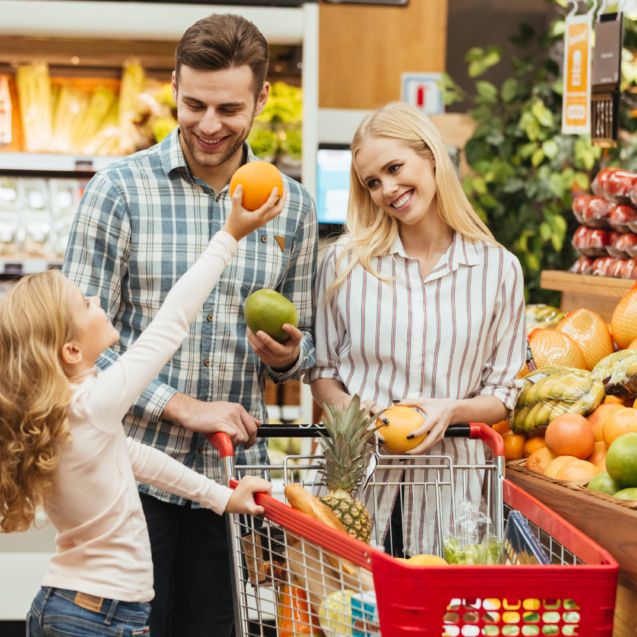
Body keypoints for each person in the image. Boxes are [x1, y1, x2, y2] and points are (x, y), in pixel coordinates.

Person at [62, 13, 317, 637]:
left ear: (260, 98)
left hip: (223, 485)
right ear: (174, 86)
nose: (208, 125)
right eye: (194, 103)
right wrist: (179, 404)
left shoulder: (295, 205)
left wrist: (286, 356)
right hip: (121, 477)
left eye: (229, 108)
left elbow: (305, 345)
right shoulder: (117, 191)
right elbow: (68, 351)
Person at [0, 186, 284, 636]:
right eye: (85, 304)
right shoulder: (93, 405)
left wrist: (222, 498)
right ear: (71, 349)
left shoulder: (70, 412)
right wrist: (229, 235)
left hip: (69, 605)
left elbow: (139, 460)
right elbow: (172, 322)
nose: (97, 302)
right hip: (98, 617)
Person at [307, 101, 525, 557]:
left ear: (430, 155)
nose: (388, 189)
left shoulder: (498, 269)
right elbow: (322, 371)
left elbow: (504, 394)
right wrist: (356, 414)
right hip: (358, 488)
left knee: (439, 622)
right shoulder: (345, 265)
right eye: (372, 182)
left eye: (394, 168)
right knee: (349, 622)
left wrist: (452, 410)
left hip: (453, 493)